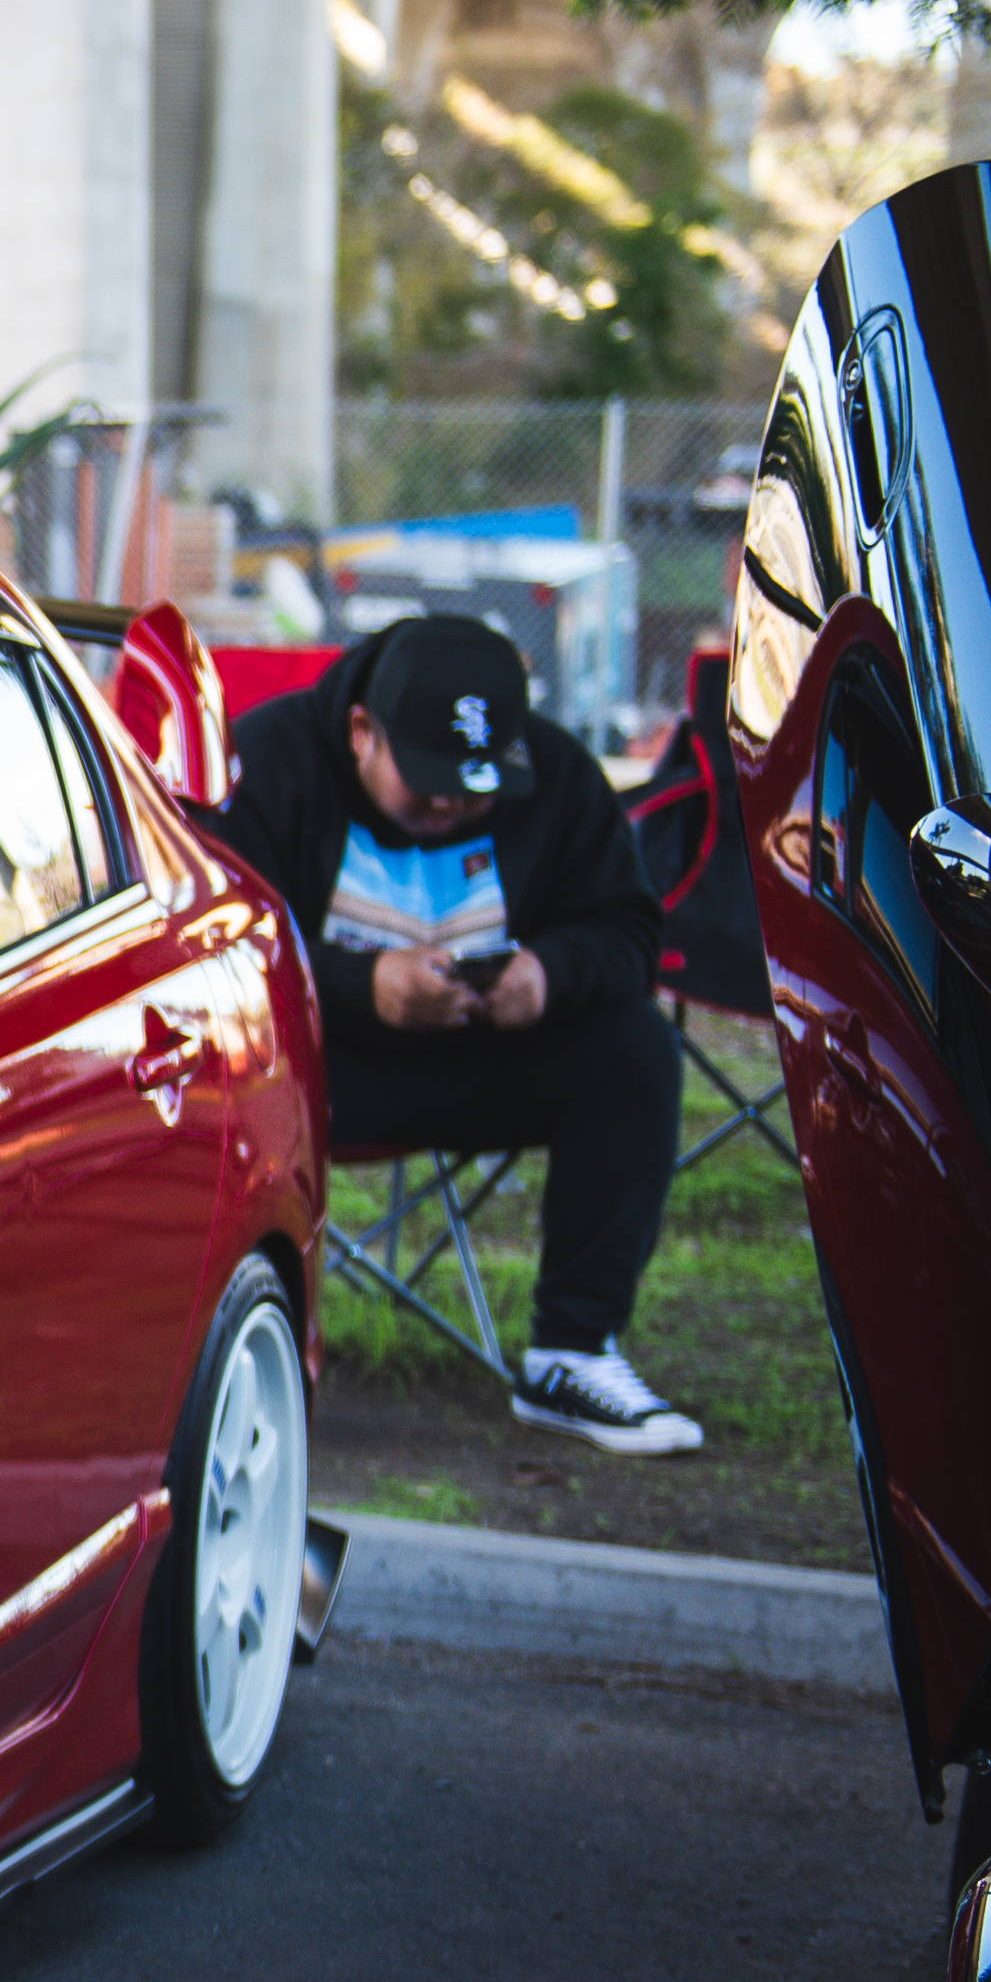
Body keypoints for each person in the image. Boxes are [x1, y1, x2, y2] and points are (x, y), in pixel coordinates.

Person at [215, 612, 702, 1454]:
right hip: (312, 1070)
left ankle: (572, 1356)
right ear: (362, 733)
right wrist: (362, 985)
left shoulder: (556, 773)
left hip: (489, 1053)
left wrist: (546, 975)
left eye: (476, 787)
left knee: (635, 1052)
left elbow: (629, 930)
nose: (449, 802)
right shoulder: (266, 761)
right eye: (428, 779)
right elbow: (216, 939)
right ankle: (225, 1351)